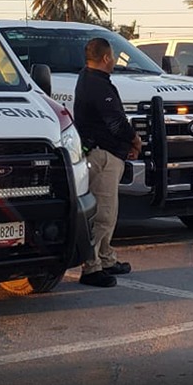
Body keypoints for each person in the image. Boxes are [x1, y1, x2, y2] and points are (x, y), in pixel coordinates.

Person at [72, 37, 142, 287]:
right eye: (112, 56)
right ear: (105, 58)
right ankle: (91, 268)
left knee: (109, 212)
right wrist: (135, 140)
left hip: (104, 154)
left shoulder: (87, 79)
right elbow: (114, 123)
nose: (113, 60)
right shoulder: (97, 85)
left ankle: (106, 258)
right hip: (103, 156)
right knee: (102, 213)